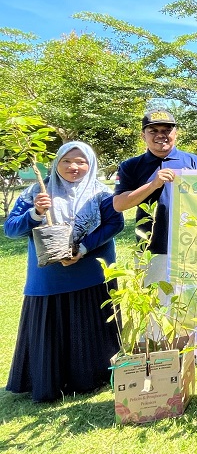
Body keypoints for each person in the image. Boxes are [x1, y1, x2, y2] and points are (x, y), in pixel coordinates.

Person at [4, 141, 124, 402]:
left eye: (81, 161)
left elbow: (115, 224)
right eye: (66, 161)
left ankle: (92, 378)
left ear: (91, 164)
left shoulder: (100, 193)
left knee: (89, 326)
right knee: (52, 329)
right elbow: (11, 229)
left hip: (91, 274)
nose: (73, 167)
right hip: (50, 277)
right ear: (56, 163)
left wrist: (83, 248)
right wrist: (36, 212)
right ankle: (51, 380)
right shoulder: (38, 191)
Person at [113, 109, 197, 256]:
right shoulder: (130, 166)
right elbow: (119, 205)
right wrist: (153, 185)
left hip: (192, 246)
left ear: (176, 134)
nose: (161, 135)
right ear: (143, 136)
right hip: (150, 250)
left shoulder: (194, 162)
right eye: (153, 131)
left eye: (167, 130)